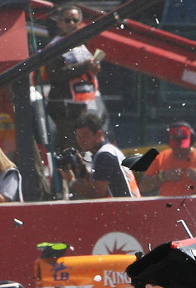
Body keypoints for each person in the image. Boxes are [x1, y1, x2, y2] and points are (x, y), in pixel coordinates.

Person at [45, 4, 105, 149]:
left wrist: (94, 67)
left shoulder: (81, 44)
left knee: (84, 150)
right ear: (59, 23)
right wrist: (85, 66)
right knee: (71, 150)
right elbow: (55, 74)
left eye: (75, 20)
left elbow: (86, 69)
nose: (71, 24)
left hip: (82, 106)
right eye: (67, 20)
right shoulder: (55, 46)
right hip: (64, 108)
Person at [60, 112, 140, 199]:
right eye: (78, 136)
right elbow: (97, 186)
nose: (81, 141)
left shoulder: (104, 155)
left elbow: (97, 195)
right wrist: (81, 169)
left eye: (85, 136)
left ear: (98, 134)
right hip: (131, 207)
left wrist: (71, 181)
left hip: (127, 209)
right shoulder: (108, 150)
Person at [139, 122, 196, 196]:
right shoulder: (162, 157)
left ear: (192, 142)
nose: (179, 150)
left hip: (195, 205)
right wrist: (163, 177)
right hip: (167, 205)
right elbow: (143, 187)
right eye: (175, 147)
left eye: (183, 147)